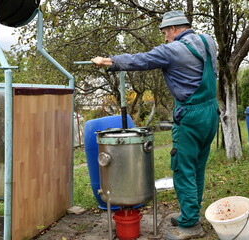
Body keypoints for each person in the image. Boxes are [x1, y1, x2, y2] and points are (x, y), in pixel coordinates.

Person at [91, 10, 219, 240]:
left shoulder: (172, 51)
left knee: (183, 168)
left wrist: (108, 61)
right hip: (211, 111)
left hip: (190, 116)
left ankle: (190, 225)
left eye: (164, 33)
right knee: (197, 166)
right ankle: (191, 214)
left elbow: (141, 60)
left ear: (173, 29)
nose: (164, 38)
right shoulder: (207, 41)